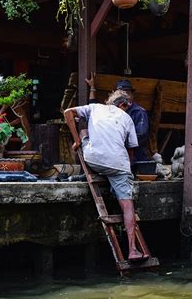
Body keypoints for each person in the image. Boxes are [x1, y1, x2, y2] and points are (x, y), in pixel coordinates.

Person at [63, 90, 148, 261]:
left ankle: (88, 154)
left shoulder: (94, 108)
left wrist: (77, 140)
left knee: (84, 131)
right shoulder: (127, 118)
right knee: (127, 206)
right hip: (119, 165)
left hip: (94, 160)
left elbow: (67, 112)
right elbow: (131, 149)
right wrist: (126, 170)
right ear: (123, 105)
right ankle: (132, 250)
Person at [85, 73, 149, 162]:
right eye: (121, 93)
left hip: (134, 158)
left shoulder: (138, 112)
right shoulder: (110, 110)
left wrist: (117, 141)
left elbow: (141, 135)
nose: (125, 96)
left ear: (132, 95)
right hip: (110, 155)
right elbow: (93, 110)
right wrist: (92, 88)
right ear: (115, 96)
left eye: (127, 93)